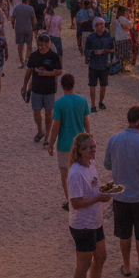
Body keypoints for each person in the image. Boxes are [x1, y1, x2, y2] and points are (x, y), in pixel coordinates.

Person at [104, 106, 139, 278]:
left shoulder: (114, 140)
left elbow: (107, 164)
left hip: (120, 195)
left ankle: (127, 265)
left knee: (124, 232)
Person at [67, 133, 115, 278]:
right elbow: (76, 203)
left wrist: (107, 188)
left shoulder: (91, 164)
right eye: (90, 147)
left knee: (101, 256)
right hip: (83, 225)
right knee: (83, 265)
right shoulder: (75, 173)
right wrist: (98, 198)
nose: (94, 150)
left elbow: (94, 186)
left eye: (94, 146)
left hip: (95, 221)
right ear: (80, 150)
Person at [49, 74, 91, 207]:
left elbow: (56, 126)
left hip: (65, 144)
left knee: (65, 173)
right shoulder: (82, 100)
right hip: (80, 143)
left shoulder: (59, 104)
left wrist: (51, 144)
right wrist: (89, 136)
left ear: (62, 86)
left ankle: (69, 200)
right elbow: (86, 120)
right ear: (74, 84)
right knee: (81, 171)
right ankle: (82, 196)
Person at [22, 33, 63, 146]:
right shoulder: (34, 56)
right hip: (36, 89)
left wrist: (47, 73)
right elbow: (29, 72)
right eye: (40, 45)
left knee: (49, 114)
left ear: (49, 43)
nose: (43, 46)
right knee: (36, 112)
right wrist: (24, 86)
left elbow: (59, 71)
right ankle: (40, 131)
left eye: (45, 44)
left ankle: (47, 137)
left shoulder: (54, 56)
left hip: (49, 90)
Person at [83, 17, 114, 112]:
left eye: (102, 24)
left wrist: (105, 51)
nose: (101, 26)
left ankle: (101, 102)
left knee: (103, 85)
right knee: (92, 85)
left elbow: (113, 49)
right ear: (95, 27)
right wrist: (93, 52)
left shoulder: (108, 36)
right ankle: (93, 105)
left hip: (104, 65)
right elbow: (86, 51)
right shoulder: (91, 37)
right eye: (98, 24)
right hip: (93, 65)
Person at [11, 0, 36, 66]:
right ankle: (27, 59)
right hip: (28, 28)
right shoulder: (30, 8)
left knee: (20, 45)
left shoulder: (17, 8)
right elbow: (34, 20)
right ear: (27, 0)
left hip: (19, 28)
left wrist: (13, 26)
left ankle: (22, 62)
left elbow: (13, 19)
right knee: (29, 45)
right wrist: (34, 28)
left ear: (21, 0)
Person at [114, 5, 134, 69]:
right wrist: (132, 19)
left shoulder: (117, 18)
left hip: (118, 38)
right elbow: (130, 25)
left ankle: (120, 67)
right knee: (124, 55)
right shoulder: (122, 18)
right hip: (124, 37)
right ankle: (122, 67)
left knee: (120, 54)